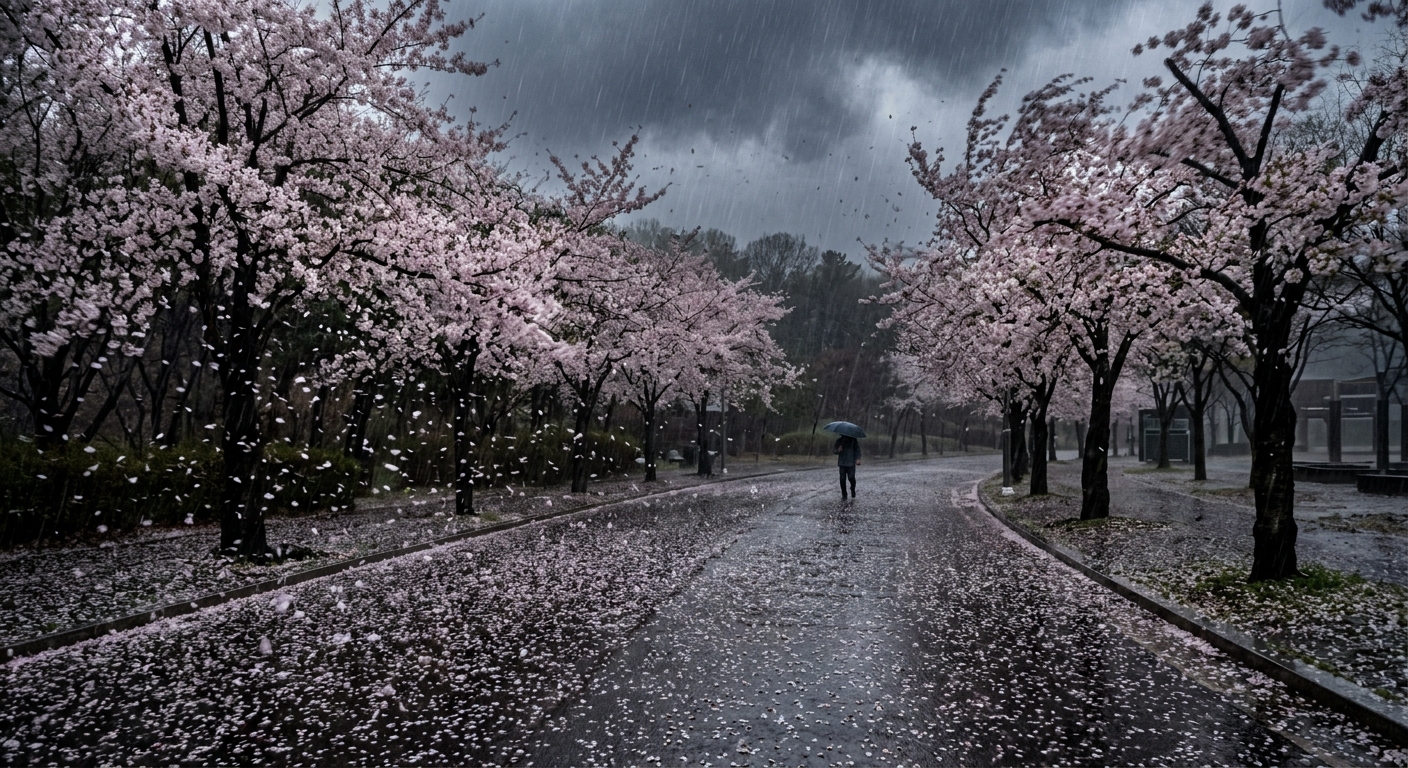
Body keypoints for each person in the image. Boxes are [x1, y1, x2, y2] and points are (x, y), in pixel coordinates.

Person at [834, 434, 860, 499]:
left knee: (851, 477)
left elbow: (857, 450)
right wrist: (838, 450)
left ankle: (852, 488)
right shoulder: (839, 441)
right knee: (842, 479)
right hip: (842, 463)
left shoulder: (853, 440)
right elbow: (834, 450)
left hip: (851, 463)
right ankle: (844, 494)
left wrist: (857, 458)